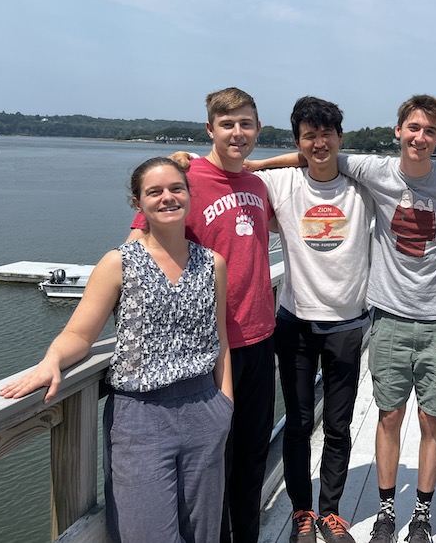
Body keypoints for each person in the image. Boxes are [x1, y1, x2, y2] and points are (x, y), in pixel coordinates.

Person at [253, 95, 436, 543]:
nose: (420, 137)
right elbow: (314, 150)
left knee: (433, 419)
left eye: (429, 131)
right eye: (413, 128)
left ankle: (423, 514)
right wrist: (254, 168)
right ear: (398, 131)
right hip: (388, 315)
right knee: (388, 415)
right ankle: (387, 510)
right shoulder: (374, 170)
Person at [0, 157, 233, 543]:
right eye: (154, 192)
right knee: (147, 533)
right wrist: (52, 360)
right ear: (137, 204)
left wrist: (225, 404)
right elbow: (79, 332)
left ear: (190, 195)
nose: (167, 198)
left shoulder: (213, 263)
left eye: (176, 188)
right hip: (139, 418)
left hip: (204, 409)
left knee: (203, 534)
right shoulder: (118, 262)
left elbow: (220, 341)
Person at [131, 87, 275, 543]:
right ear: (209, 129)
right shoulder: (184, 181)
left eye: (246, 123)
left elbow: (308, 158)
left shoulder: (256, 184)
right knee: (210, 464)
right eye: (227, 124)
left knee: (251, 459)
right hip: (207, 351)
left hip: (259, 339)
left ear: (257, 129)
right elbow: (139, 253)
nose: (238, 132)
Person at [252, 97, 373, 543]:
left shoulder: (363, 186)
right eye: (309, 136)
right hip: (295, 321)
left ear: (340, 138)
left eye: (326, 135)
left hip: (346, 321)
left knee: (338, 426)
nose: (319, 143)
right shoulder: (282, 183)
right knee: (300, 422)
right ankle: (302, 511)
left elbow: (413, 175)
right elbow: (227, 177)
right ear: (298, 142)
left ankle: (332, 511)